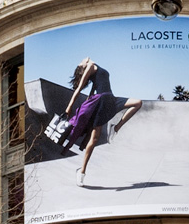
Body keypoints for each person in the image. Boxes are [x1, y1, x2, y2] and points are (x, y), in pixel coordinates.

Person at [60, 57, 142, 185]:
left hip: (111, 99)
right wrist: (70, 106)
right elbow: (79, 87)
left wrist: (90, 96)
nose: (82, 59)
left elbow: (93, 89)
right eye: (81, 62)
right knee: (94, 139)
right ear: (84, 65)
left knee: (138, 103)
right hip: (102, 102)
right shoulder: (90, 66)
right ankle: (81, 172)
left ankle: (116, 127)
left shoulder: (95, 69)